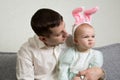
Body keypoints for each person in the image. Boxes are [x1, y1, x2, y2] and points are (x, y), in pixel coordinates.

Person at [16, 8, 105, 80]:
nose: (66, 34)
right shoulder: (26, 51)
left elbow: (89, 59)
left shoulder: (71, 40)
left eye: (64, 27)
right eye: (59, 34)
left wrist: (100, 72)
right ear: (43, 38)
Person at [58, 7, 104, 80]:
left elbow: (94, 73)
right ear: (76, 41)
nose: (90, 39)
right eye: (86, 37)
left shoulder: (95, 55)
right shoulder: (71, 53)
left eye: (93, 36)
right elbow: (63, 70)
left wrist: (82, 78)